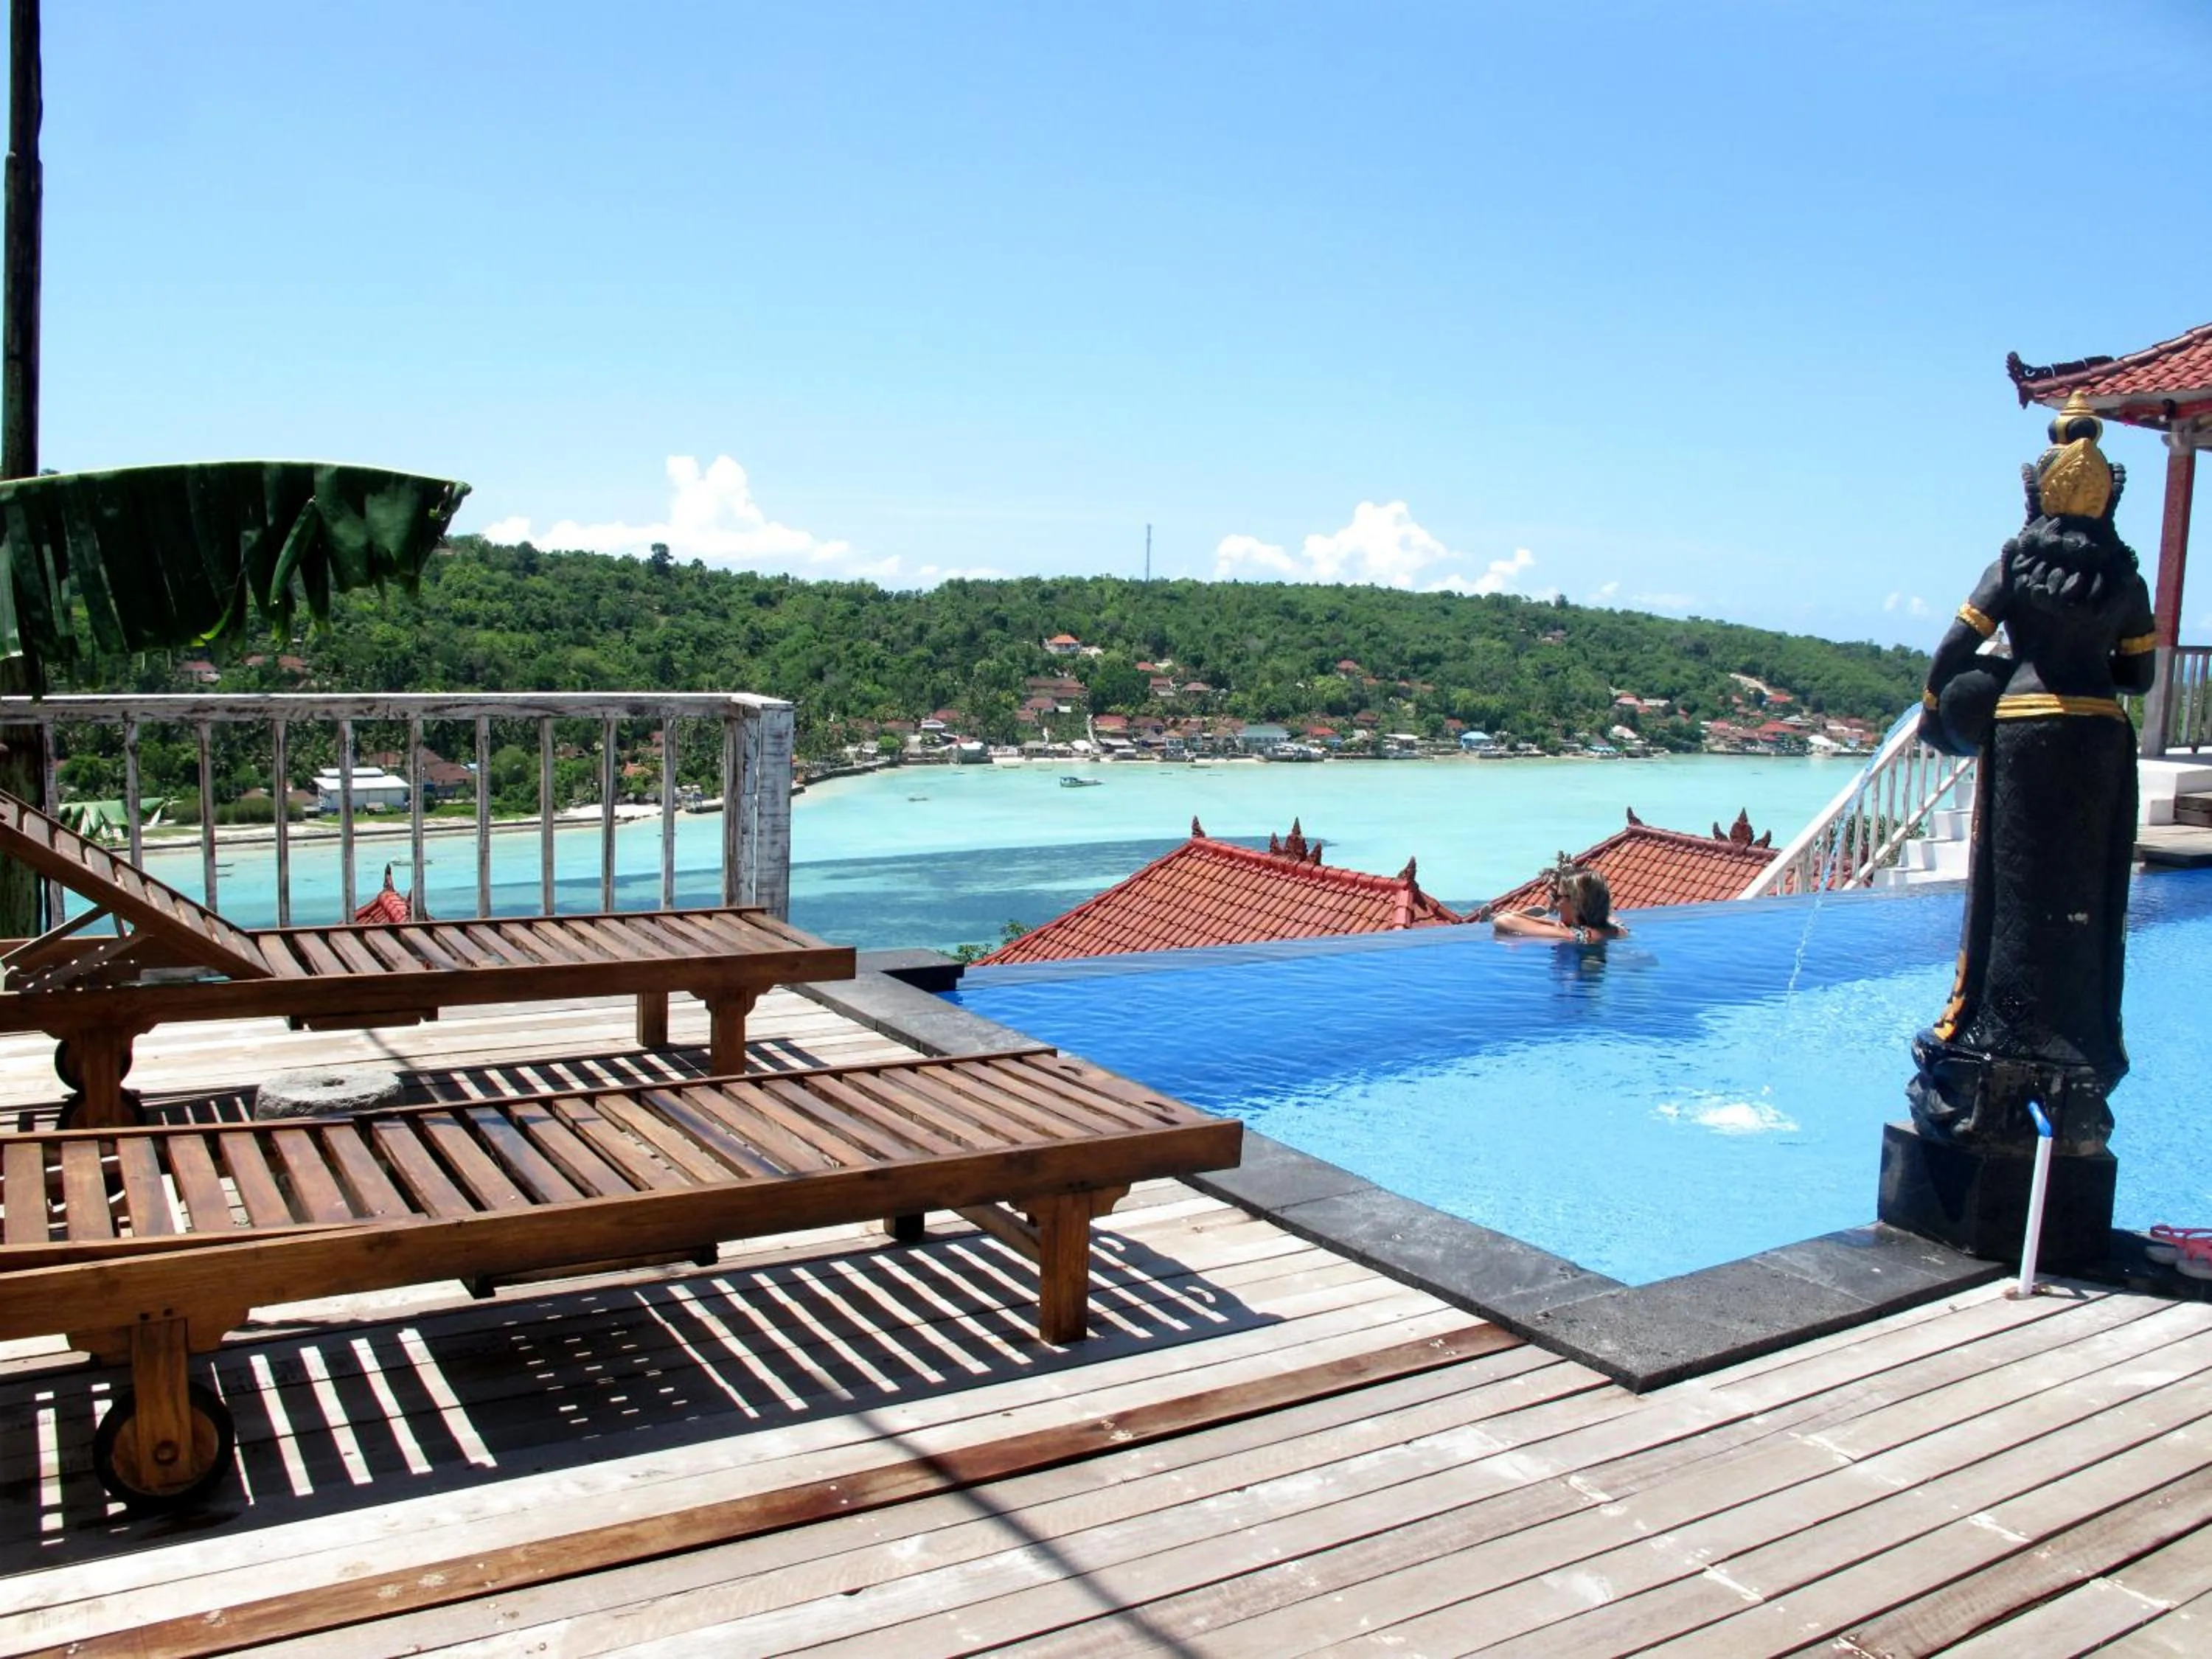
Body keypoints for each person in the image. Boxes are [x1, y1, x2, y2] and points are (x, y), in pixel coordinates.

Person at [1491, 868, 1626, 945]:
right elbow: (1610, 917)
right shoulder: (1617, 930)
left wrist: (1519, 916)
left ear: (1576, 903)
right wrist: (1554, 923)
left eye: (1558, 897)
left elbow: (1502, 920)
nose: (1555, 903)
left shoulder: (1569, 935)